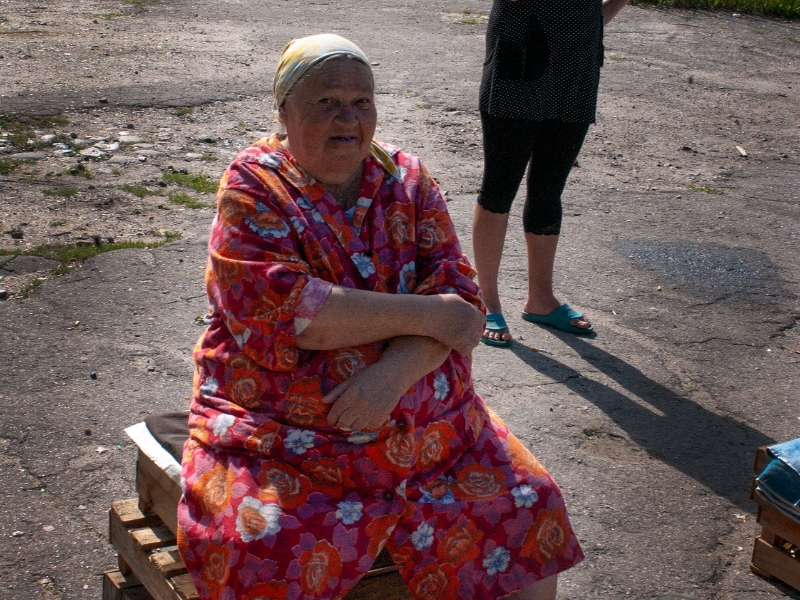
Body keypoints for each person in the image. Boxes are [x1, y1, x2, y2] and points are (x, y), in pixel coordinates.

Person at [177, 34, 583, 600]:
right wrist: (430, 315)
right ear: (284, 111)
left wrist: (389, 377)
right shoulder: (254, 186)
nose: (348, 118)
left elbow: (464, 316)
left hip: (434, 434)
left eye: (361, 100)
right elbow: (294, 315)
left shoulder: (406, 179)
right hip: (290, 439)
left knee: (532, 503)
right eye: (326, 102)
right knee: (261, 547)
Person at [474, 0, 630, 347]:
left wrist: (602, 14)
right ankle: (486, 301)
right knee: (500, 186)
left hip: (577, 65)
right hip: (521, 51)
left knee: (549, 188)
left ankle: (541, 300)